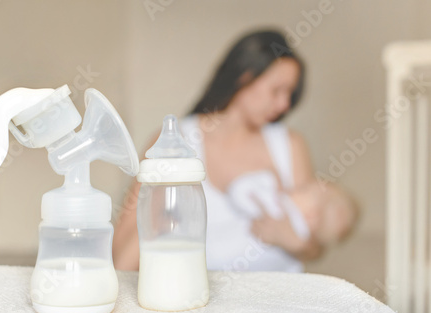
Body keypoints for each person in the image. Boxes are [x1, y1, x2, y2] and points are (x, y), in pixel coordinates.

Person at [112, 30, 357, 272]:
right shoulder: (174, 142)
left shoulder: (289, 145)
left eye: (289, 95)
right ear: (245, 77)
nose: (284, 104)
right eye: (276, 91)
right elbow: (125, 239)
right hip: (201, 297)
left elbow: (316, 241)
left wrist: (294, 241)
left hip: (278, 295)